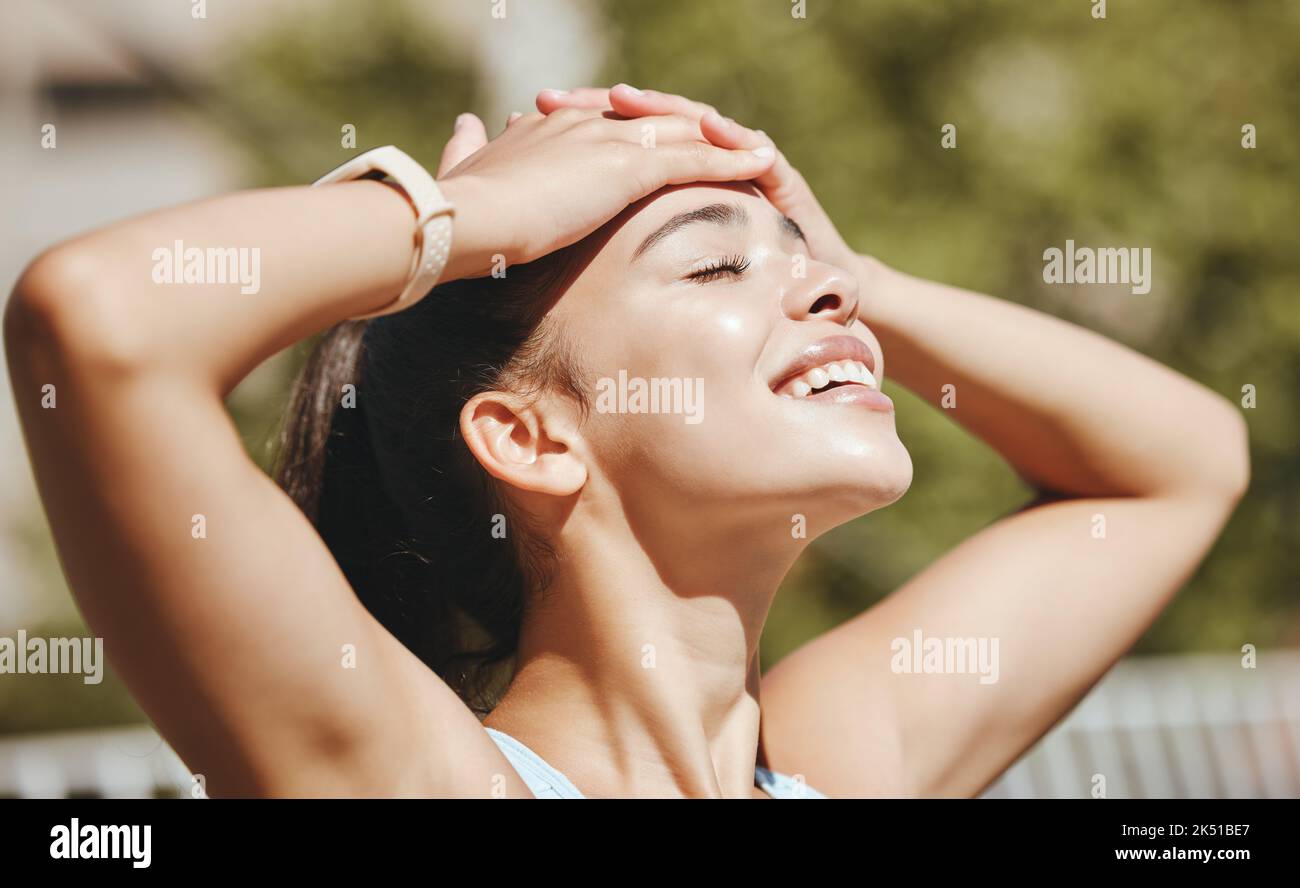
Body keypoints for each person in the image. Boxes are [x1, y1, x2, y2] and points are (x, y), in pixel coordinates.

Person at [5, 85, 1248, 798]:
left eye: (805, 268)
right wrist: (472, 216)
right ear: (529, 439)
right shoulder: (412, 780)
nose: (824, 299)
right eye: (713, 265)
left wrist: (849, 267)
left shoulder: (824, 769)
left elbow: (1181, 463)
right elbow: (101, 322)